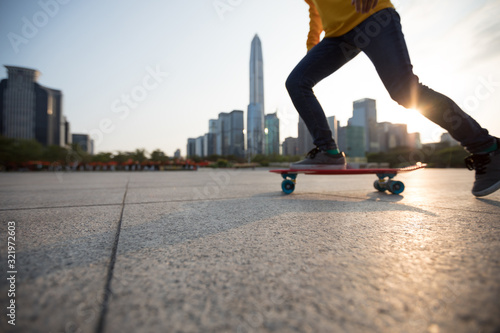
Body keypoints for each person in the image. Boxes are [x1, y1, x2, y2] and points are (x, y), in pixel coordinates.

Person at [285, 0, 500, 197]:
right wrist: (312, 47)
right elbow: (315, 9)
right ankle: (328, 153)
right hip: (336, 37)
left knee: (405, 91)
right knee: (297, 82)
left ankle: (486, 148)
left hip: (372, 14)